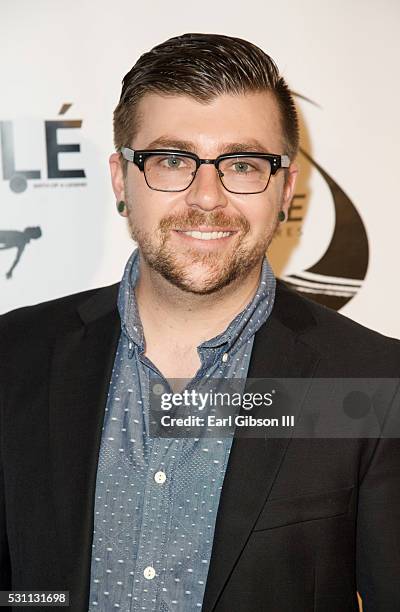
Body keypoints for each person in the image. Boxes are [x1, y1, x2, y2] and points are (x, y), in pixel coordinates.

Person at [0, 33, 399, 612]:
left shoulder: (372, 382)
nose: (206, 196)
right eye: (171, 160)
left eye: (242, 163)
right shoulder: (15, 356)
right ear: (120, 178)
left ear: (285, 188)